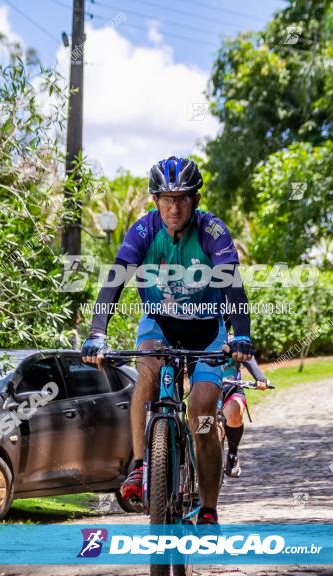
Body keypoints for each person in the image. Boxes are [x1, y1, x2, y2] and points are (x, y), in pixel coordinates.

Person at [80, 156, 254, 525]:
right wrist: (97, 332)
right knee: (146, 370)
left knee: (203, 414)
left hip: (207, 331)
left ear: (195, 199)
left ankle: (208, 509)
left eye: (182, 199)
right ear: (155, 200)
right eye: (166, 199)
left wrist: (241, 334)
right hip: (160, 324)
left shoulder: (212, 232)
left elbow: (233, 288)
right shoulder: (144, 231)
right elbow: (115, 280)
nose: (174, 207)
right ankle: (141, 466)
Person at [220, 336, 268, 478]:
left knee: (235, 412)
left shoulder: (232, 338)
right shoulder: (194, 334)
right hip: (205, 390)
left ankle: (232, 454)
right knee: (202, 424)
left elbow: (247, 356)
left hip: (231, 388)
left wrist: (259, 377)